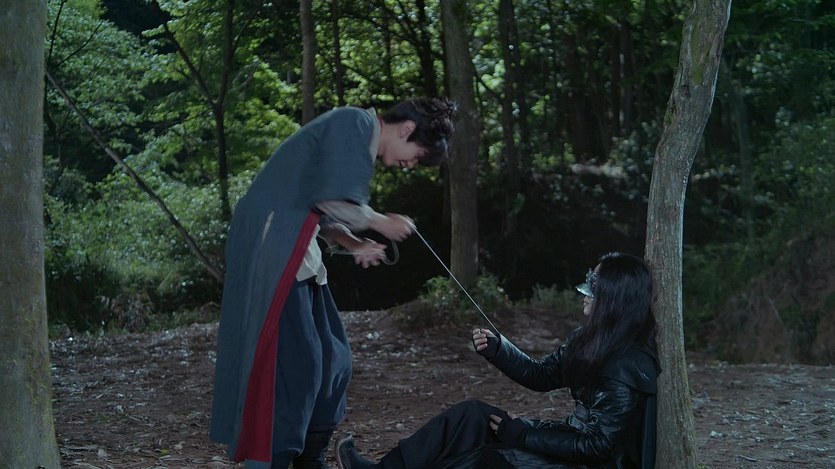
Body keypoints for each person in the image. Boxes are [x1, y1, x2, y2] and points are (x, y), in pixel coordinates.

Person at [209, 97, 457, 469]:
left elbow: (321, 207)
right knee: (297, 365)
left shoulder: (357, 136)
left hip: (298, 246)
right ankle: (271, 459)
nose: (410, 165)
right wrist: (380, 222)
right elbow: (329, 199)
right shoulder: (355, 124)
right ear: (407, 130)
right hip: (272, 243)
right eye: (417, 156)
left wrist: (353, 242)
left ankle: (311, 458)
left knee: (333, 358)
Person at [335, 252, 660, 469]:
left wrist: (521, 434)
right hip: (569, 442)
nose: (585, 293)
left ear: (614, 298)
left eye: (595, 287)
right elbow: (541, 375)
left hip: (589, 463)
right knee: (473, 416)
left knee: (490, 458)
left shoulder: (627, 364)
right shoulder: (587, 339)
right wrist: (499, 349)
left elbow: (598, 446)